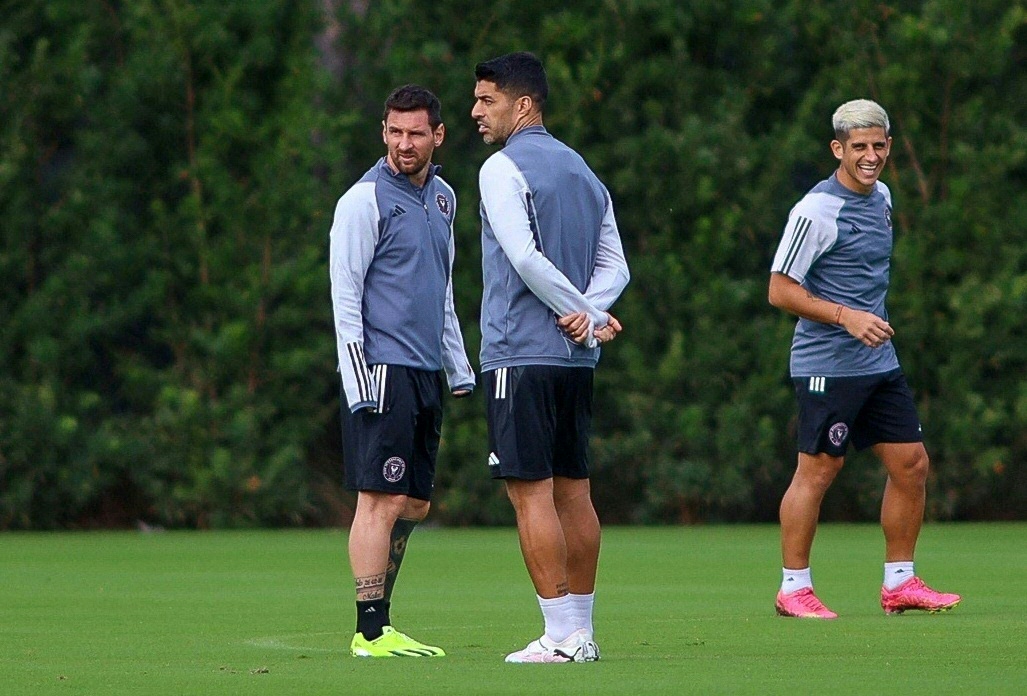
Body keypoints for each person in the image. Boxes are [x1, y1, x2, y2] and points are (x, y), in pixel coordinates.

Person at [768, 99, 960, 619]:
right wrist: (845, 316)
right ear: (838, 149)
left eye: (878, 145)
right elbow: (780, 290)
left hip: (878, 363)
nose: (870, 155)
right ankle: (793, 589)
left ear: (889, 146)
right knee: (818, 470)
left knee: (912, 464)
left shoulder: (884, 198)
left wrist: (865, 322)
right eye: (859, 147)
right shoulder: (815, 210)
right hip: (826, 364)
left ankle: (899, 582)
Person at [472, 51, 630, 663]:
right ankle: (582, 634)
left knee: (530, 494)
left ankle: (561, 635)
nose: (476, 112)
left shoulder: (499, 168)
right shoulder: (585, 171)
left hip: (519, 354)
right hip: (574, 360)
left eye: (487, 100)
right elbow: (617, 266)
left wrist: (584, 313)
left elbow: (525, 257)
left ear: (524, 105)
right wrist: (591, 313)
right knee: (574, 493)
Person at [329, 84, 475, 656]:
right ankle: (369, 631)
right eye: (394, 131)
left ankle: (381, 620)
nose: (404, 143)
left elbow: (441, 290)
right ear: (382, 131)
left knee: (413, 504)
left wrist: (457, 366)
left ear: (438, 135)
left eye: (416, 133)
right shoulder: (362, 200)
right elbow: (345, 296)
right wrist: (357, 376)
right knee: (379, 501)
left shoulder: (444, 198)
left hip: (423, 374)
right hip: (381, 370)